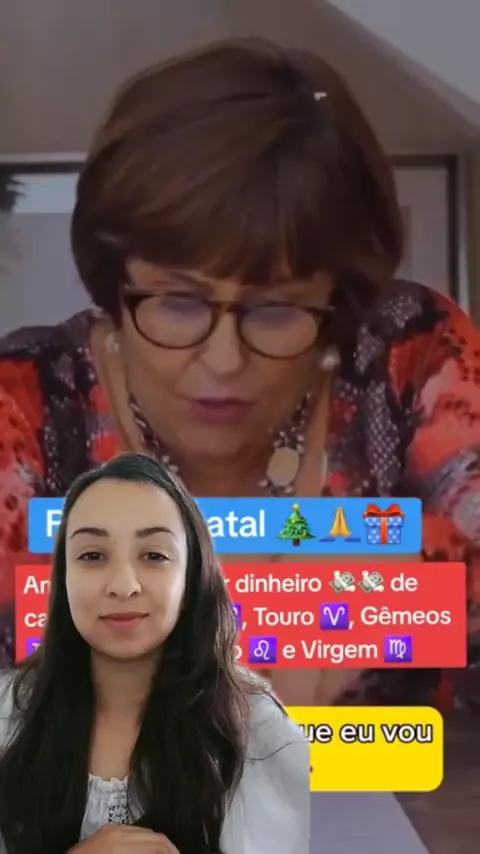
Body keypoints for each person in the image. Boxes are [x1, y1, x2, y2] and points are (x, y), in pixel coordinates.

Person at [0, 39, 479, 708]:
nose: (224, 361)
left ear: (338, 300)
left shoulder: (413, 351)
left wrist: (407, 571)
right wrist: (307, 605)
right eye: (178, 302)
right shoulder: (25, 398)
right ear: (115, 281)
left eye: (277, 308)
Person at [0, 453, 309, 854]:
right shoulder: (8, 713)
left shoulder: (256, 729)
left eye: (154, 556)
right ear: (63, 579)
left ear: (191, 579)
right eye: (92, 556)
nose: (123, 585)